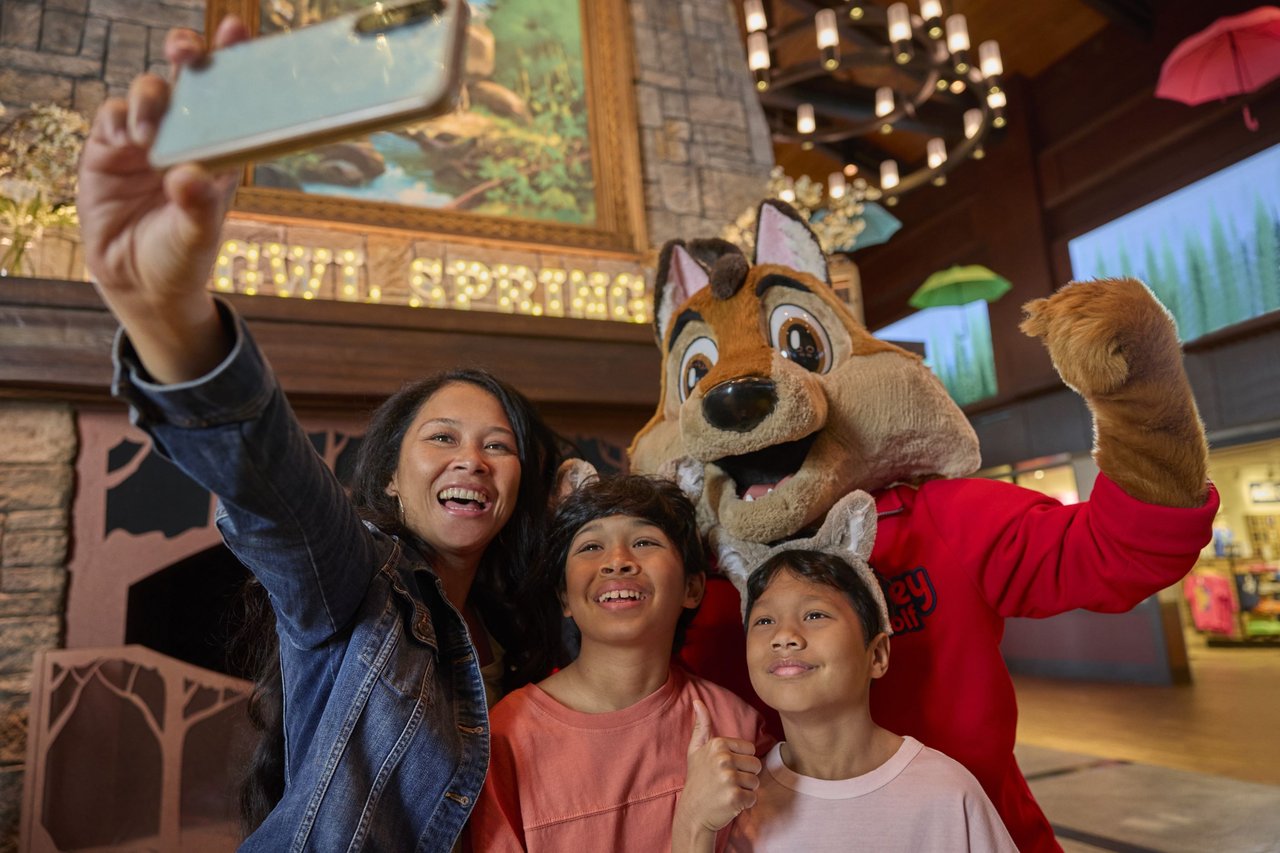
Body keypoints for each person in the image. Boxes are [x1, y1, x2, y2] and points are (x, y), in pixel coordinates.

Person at [76, 17, 564, 852]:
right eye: (441, 438)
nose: (471, 460)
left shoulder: (526, 632)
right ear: (388, 481)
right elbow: (276, 492)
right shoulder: (359, 583)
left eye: (498, 444)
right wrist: (171, 319)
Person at [467, 475, 773, 852]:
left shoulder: (736, 727)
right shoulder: (505, 738)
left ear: (692, 588)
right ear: (564, 597)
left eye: (644, 542)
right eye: (591, 546)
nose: (617, 562)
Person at [674, 550, 1016, 853]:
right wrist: (694, 821)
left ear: (877, 654)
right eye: (764, 621)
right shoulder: (736, 797)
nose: (784, 637)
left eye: (814, 615)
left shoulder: (948, 792)